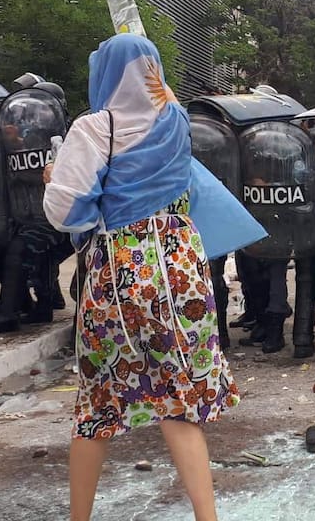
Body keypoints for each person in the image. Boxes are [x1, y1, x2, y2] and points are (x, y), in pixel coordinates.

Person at [44, 33, 242, 521]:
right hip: (183, 272)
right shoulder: (175, 121)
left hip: (121, 274)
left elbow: (65, 211)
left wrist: (55, 179)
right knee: (179, 398)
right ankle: (207, 517)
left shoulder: (94, 128)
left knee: (99, 401)